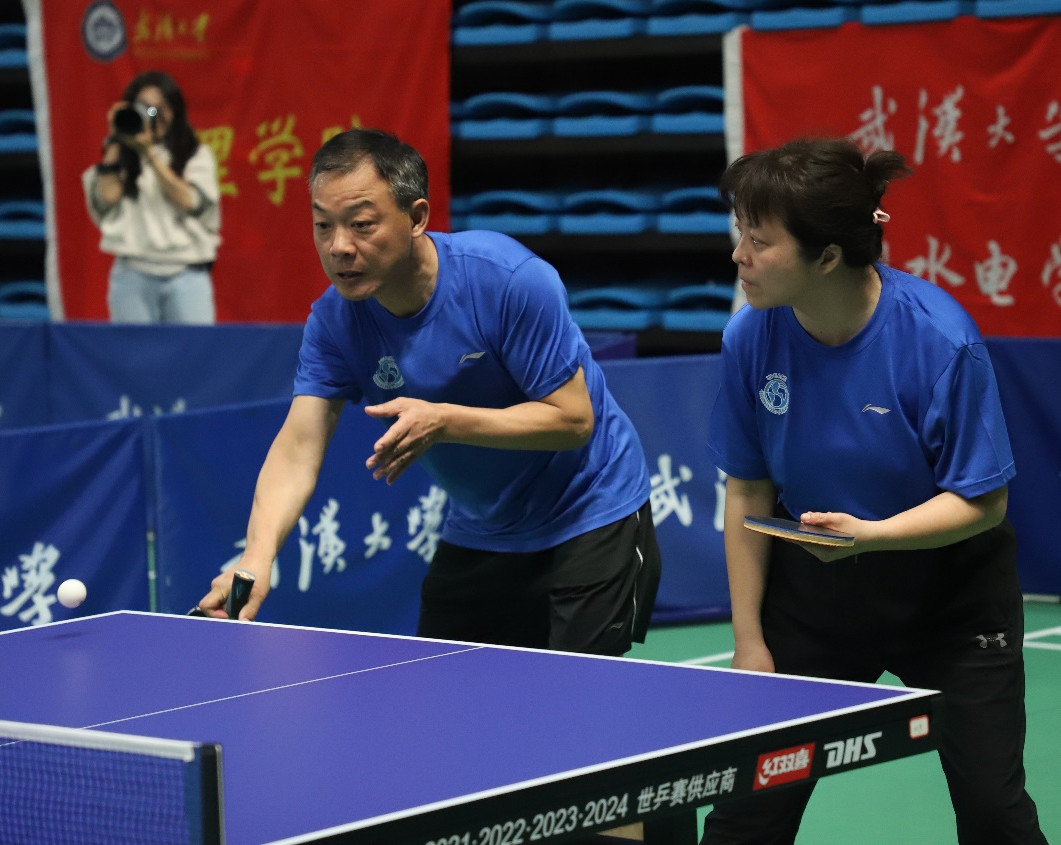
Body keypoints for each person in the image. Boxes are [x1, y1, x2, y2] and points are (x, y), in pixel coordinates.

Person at [197, 128, 661, 658]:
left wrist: (444, 421)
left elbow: (574, 420)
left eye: (361, 224)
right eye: (323, 225)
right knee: (442, 689)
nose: (339, 246)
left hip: (590, 509)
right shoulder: (334, 322)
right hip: (485, 525)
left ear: (417, 217)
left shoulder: (508, 281)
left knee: (577, 696)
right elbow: (299, 447)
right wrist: (256, 558)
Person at [703, 137, 1047, 844]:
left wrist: (874, 536)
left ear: (827, 256)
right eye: (741, 234)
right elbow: (748, 490)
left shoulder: (939, 340)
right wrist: (749, 640)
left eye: (759, 241)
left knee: (993, 809)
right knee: (747, 813)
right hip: (815, 599)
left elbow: (984, 501)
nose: (739, 256)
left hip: (950, 596)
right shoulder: (750, 338)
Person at [82, 70, 221, 324]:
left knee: (195, 348)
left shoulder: (195, 154)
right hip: (133, 273)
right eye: (145, 108)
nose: (154, 115)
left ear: (176, 111)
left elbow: (190, 201)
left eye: (161, 108)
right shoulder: (122, 155)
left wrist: (149, 154)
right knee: (133, 349)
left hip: (187, 274)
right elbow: (106, 199)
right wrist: (117, 137)